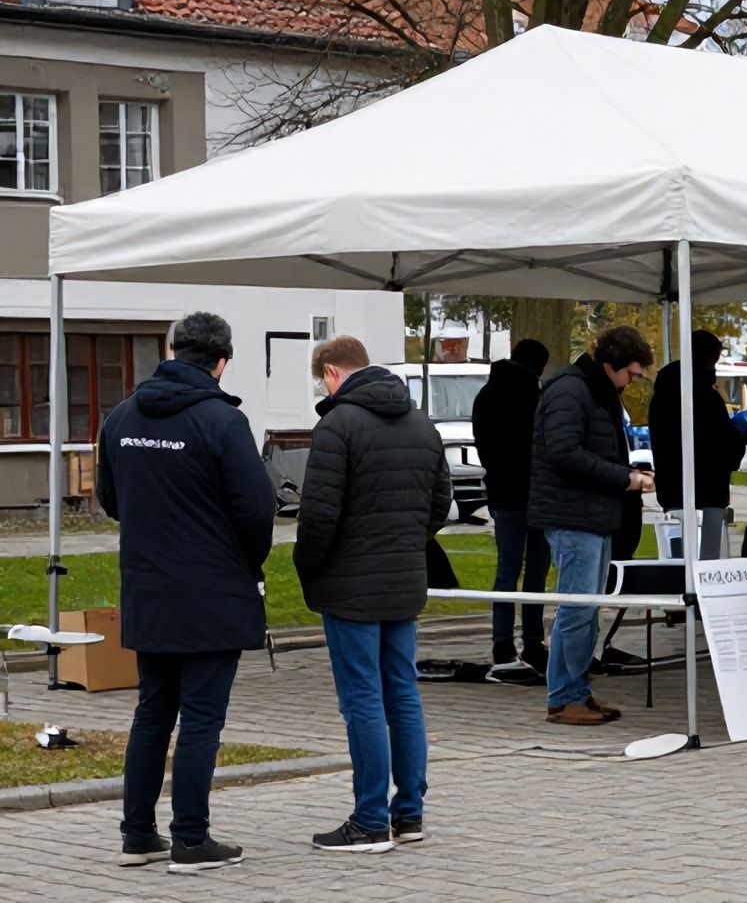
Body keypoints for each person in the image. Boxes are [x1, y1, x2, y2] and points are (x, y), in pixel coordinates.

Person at [99, 312, 273, 874]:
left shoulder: (121, 416)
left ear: (173, 350)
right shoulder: (222, 421)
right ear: (222, 362)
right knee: (201, 716)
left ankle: (137, 834)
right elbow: (256, 508)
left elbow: (110, 498)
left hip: (149, 588)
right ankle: (191, 841)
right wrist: (243, 563)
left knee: (153, 710)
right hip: (211, 590)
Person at [294, 335, 452, 854]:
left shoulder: (336, 426)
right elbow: (439, 505)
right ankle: (409, 813)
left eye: (322, 380)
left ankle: (368, 820)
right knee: (402, 694)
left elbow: (318, 515)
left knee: (362, 699)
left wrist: (308, 567)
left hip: (348, 584)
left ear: (333, 373)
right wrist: (407, 544)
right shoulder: (421, 423)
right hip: (403, 578)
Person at [530, 326, 655, 725]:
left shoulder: (593, 390)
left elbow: (586, 450)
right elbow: (565, 453)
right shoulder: (571, 391)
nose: (632, 381)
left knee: (585, 610)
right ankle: (563, 696)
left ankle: (577, 691)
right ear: (609, 364)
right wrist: (625, 479)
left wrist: (626, 471)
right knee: (576, 609)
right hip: (573, 516)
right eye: (631, 373)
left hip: (591, 514)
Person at [471, 338, 552, 675]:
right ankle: (533, 641)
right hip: (537, 492)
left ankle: (501, 643)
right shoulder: (536, 398)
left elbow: (482, 443)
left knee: (507, 570)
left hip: (503, 493)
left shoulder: (486, 395)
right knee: (536, 571)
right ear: (539, 366)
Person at [649, 329, 746, 559]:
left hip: (672, 490)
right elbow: (725, 447)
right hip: (708, 492)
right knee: (706, 566)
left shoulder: (662, 395)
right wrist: (740, 436)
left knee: (677, 561)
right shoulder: (706, 398)